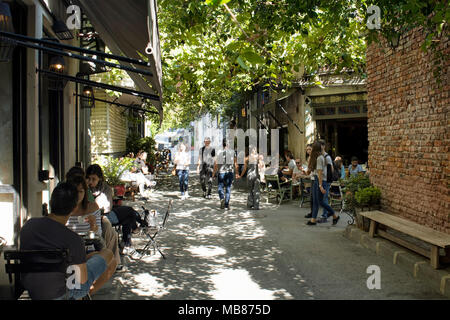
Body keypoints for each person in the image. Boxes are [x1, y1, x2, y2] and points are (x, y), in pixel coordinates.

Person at [19, 182, 116, 300]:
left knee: (93, 256)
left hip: (33, 290)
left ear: (51, 203)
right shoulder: (73, 239)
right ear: (74, 208)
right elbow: (81, 282)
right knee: (108, 254)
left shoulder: (28, 226)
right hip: (61, 293)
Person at [66, 167, 122, 269]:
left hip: (101, 217)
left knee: (107, 225)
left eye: (80, 191)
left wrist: (93, 226)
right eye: (88, 178)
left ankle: (113, 261)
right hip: (70, 250)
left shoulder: (103, 190)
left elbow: (104, 209)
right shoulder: (62, 206)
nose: (77, 195)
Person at [86, 164, 147, 257]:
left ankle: (128, 240)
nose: (90, 182)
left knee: (129, 212)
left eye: (93, 179)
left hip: (106, 213)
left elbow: (106, 206)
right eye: (88, 179)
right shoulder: (86, 190)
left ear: (100, 179)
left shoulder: (104, 188)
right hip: (101, 217)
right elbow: (101, 207)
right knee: (129, 213)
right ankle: (130, 238)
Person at [304, 142, 339, 226]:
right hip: (317, 180)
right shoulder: (315, 158)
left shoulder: (320, 158)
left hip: (321, 181)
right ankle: (313, 220)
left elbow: (320, 173)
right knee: (316, 201)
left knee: (321, 202)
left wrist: (320, 185)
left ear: (314, 149)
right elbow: (310, 171)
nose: (309, 150)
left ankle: (334, 215)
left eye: (310, 148)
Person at [212, 138, 239, 210]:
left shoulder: (218, 152)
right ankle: (226, 204)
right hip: (230, 172)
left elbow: (215, 164)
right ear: (228, 144)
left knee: (220, 187)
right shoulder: (233, 152)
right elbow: (235, 163)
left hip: (221, 172)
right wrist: (237, 173)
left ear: (222, 144)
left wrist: (214, 173)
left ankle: (222, 199)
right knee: (228, 187)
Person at [239, 145, 260, 210]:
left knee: (250, 190)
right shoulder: (258, 157)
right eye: (255, 149)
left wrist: (241, 175)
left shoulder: (247, 158)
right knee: (256, 190)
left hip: (249, 175)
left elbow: (244, 169)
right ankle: (256, 205)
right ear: (253, 149)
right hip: (256, 175)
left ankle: (250, 204)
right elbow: (261, 166)